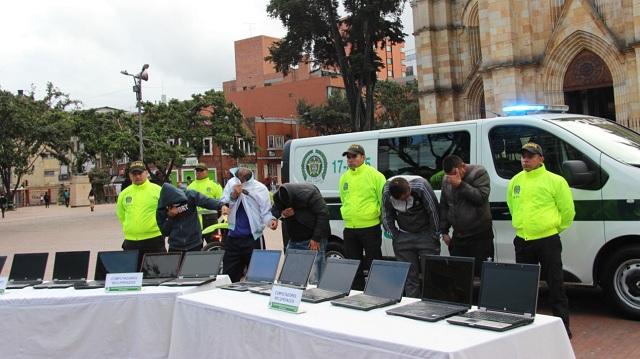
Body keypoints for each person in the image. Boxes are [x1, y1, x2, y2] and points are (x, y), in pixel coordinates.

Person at [507, 142, 575, 338]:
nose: (525, 160)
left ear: (541, 159)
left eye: (530, 156)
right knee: (524, 287)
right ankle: (525, 327)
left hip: (547, 241)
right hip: (522, 240)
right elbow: (512, 206)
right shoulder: (515, 181)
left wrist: (552, 228)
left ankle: (562, 328)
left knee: (556, 285)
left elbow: (568, 212)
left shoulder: (555, 181)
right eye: (523, 156)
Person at [382, 176, 441, 298]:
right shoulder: (387, 191)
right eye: (401, 199)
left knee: (431, 274)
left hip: (426, 235)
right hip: (403, 236)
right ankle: (411, 304)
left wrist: (434, 234)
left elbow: (434, 211)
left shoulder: (421, 186)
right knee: (409, 277)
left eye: (407, 196)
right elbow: (386, 213)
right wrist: (394, 235)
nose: (406, 199)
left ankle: (432, 304)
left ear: (409, 188)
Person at [339, 144, 386, 290]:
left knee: (375, 262)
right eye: (348, 157)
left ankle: (377, 291)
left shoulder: (376, 176)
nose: (350, 159)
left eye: (354, 156)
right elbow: (343, 199)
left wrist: (381, 219)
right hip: (350, 228)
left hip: (370, 227)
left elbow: (383, 201)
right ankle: (356, 292)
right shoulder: (344, 178)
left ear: (363, 157)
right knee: (353, 264)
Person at [440, 155, 494, 276]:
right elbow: (444, 205)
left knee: (483, 274)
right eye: (449, 175)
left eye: (455, 173)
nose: (452, 177)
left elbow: (481, 198)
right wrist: (444, 231)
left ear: (463, 166)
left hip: (479, 235)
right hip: (459, 235)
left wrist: (460, 184)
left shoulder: (479, 173)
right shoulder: (446, 179)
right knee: (459, 274)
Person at [269, 183, 330, 284]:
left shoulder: (309, 193)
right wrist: (279, 215)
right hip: (294, 239)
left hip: (312, 239)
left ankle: (315, 296)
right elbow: (275, 210)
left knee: (314, 278)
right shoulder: (278, 196)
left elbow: (323, 214)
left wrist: (316, 238)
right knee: (290, 276)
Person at [220, 167, 273, 282]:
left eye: (242, 179)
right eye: (237, 177)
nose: (239, 181)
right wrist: (233, 195)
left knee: (259, 278)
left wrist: (271, 222)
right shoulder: (231, 184)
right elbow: (224, 201)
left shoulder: (260, 188)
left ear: (247, 179)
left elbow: (266, 212)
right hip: (233, 238)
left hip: (253, 238)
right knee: (228, 278)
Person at [116, 161, 166, 267]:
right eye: (134, 174)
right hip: (131, 241)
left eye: (140, 173)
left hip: (154, 239)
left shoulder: (157, 190)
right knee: (132, 274)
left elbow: (166, 212)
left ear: (146, 173)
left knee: (158, 273)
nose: (137, 176)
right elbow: (121, 214)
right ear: (130, 175)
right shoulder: (124, 194)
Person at [156, 183, 222, 253]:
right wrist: (170, 217)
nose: (175, 204)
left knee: (195, 264)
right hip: (175, 246)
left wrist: (221, 206)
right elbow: (165, 232)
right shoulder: (163, 208)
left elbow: (206, 201)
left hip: (194, 244)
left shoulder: (189, 195)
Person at [187, 163, 223, 243]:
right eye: (197, 170)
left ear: (207, 171)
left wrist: (219, 218)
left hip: (211, 219)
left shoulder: (214, 185)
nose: (198, 172)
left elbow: (221, 201)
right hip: (195, 220)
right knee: (195, 245)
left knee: (213, 244)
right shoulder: (190, 186)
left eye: (201, 170)